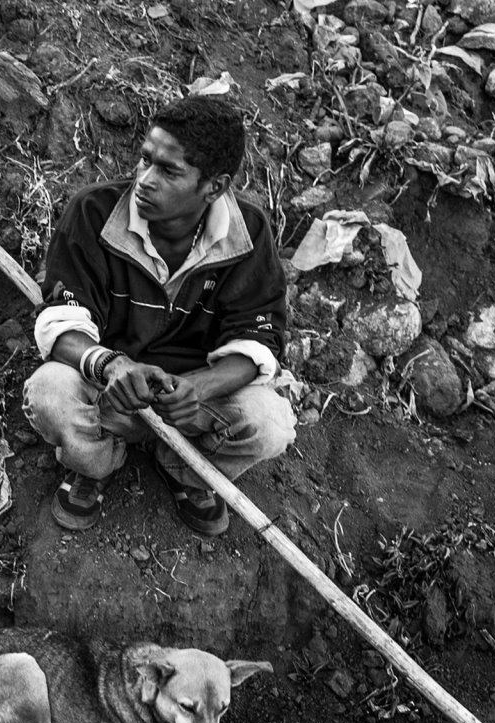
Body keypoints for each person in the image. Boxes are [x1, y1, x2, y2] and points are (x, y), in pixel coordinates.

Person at [27, 94, 295, 536]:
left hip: (192, 408)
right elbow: (62, 320)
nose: (144, 180)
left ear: (214, 187)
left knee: (272, 424)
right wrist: (111, 364)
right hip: (110, 394)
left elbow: (258, 339)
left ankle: (183, 469)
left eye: (168, 171)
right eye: (145, 160)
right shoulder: (93, 212)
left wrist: (196, 388)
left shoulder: (249, 233)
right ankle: (93, 466)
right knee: (49, 392)